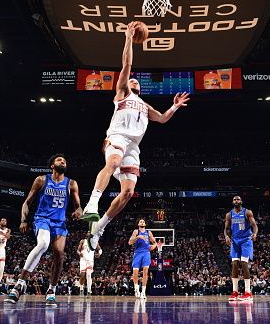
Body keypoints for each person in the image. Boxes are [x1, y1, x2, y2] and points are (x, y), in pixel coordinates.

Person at [81, 21, 190, 249]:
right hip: (117, 136)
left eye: (136, 80)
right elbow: (127, 63)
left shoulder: (144, 104)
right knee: (112, 162)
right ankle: (92, 204)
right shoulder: (123, 92)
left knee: (129, 192)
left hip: (134, 147)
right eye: (131, 79)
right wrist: (129, 38)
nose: (133, 80)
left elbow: (161, 118)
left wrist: (175, 107)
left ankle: (98, 228)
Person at [4, 154, 82, 305]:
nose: (63, 161)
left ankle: (51, 290)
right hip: (42, 219)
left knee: (59, 255)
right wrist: (23, 220)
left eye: (65, 160)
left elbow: (78, 206)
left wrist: (78, 211)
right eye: (59, 160)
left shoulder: (71, 184)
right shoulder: (41, 180)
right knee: (43, 243)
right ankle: (20, 284)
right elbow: (27, 202)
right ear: (52, 165)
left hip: (60, 223)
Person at [224, 195, 258, 302]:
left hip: (246, 240)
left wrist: (255, 234)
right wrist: (226, 236)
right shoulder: (229, 215)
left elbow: (254, 226)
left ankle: (248, 293)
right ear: (232, 202)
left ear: (241, 201)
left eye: (238, 199)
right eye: (234, 199)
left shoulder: (247, 212)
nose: (236, 200)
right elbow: (226, 229)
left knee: (244, 263)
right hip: (235, 241)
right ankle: (235, 292)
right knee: (234, 263)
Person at [128, 218, 157, 299]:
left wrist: (153, 247)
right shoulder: (136, 231)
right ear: (138, 224)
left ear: (145, 224)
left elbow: (155, 243)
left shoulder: (149, 232)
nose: (142, 222)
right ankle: (136, 289)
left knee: (145, 272)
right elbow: (130, 242)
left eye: (143, 221)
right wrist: (138, 237)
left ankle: (143, 292)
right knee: (135, 273)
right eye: (140, 221)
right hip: (137, 253)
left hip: (146, 253)